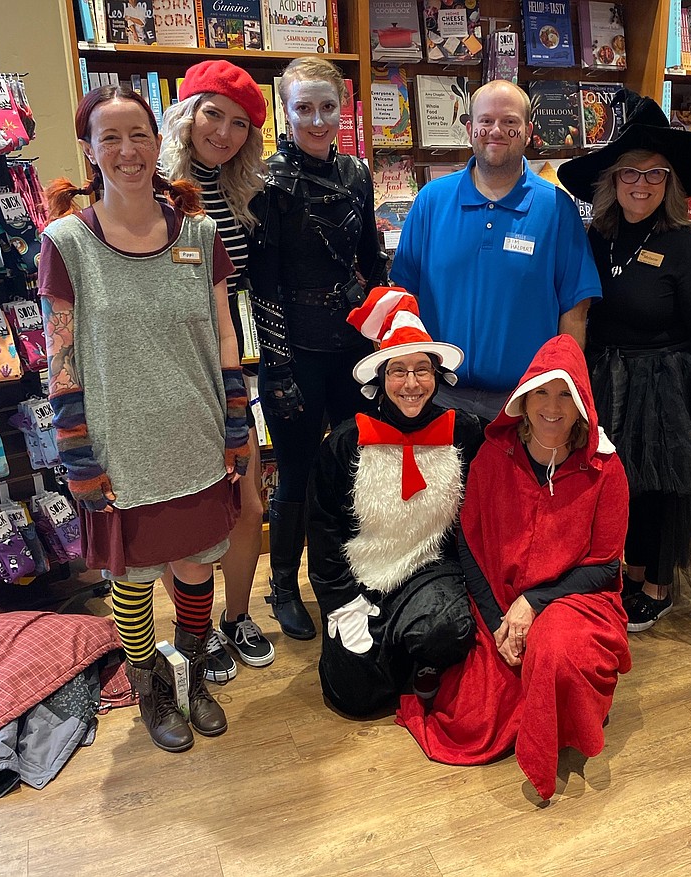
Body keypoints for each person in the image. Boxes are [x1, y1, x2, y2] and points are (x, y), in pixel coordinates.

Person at [39, 85, 248, 752]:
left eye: (139, 135)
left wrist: (237, 422)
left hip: (196, 434)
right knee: (131, 575)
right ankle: (149, 680)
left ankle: (189, 673)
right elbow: (62, 357)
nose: (127, 151)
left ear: (160, 144)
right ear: (90, 150)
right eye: (111, 137)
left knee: (195, 563)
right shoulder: (66, 242)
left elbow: (223, 336)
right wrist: (76, 451)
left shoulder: (201, 234)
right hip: (119, 443)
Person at [557, 91, 691, 635]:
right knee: (616, 483)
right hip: (608, 379)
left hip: (668, 386)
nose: (642, 184)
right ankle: (627, 571)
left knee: (658, 491)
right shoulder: (594, 238)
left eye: (655, 174)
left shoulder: (688, 247)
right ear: (612, 179)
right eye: (631, 172)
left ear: (669, 183)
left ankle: (656, 586)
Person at [398, 335, 631, 802]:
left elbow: (605, 567)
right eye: (542, 392)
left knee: (556, 651)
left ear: (582, 403)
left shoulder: (606, 471)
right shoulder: (493, 459)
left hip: (576, 601)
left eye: (565, 394)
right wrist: (500, 619)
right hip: (500, 606)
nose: (552, 406)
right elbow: (470, 543)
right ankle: (564, 701)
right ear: (523, 401)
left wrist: (533, 603)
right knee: (474, 724)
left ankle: (569, 714)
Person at [247, 57, 388, 642]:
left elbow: (373, 260)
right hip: (296, 349)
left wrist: (385, 329)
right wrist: (277, 367)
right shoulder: (268, 182)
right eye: (303, 107)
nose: (317, 119)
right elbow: (265, 286)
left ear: (344, 108)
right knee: (298, 474)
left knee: (357, 465)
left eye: (328, 106)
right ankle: (283, 585)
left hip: (353, 345)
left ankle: (346, 576)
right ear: (285, 108)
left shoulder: (357, 174)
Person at [306, 287, 483, 716]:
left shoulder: (465, 433)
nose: (410, 384)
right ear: (381, 379)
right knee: (353, 698)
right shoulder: (344, 444)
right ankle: (392, 658)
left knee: (446, 630)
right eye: (398, 371)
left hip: (430, 573)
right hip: (362, 580)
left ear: (438, 376)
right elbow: (324, 534)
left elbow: (480, 521)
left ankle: (421, 656)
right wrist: (342, 603)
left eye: (422, 370)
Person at [389, 80, 601, 420]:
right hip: (437, 398)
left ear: (529, 131)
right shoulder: (431, 201)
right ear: (470, 129)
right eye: (485, 121)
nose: (496, 130)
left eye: (510, 122)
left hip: (522, 403)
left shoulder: (556, 208)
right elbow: (402, 297)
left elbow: (575, 309)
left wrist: (562, 393)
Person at [158, 59, 272, 681]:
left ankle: (235, 617)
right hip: (173, 374)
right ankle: (193, 633)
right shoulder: (151, 188)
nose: (223, 133)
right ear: (187, 113)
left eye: (238, 124)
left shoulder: (239, 193)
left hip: (232, 367)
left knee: (247, 503)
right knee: (188, 512)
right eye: (212, 115)